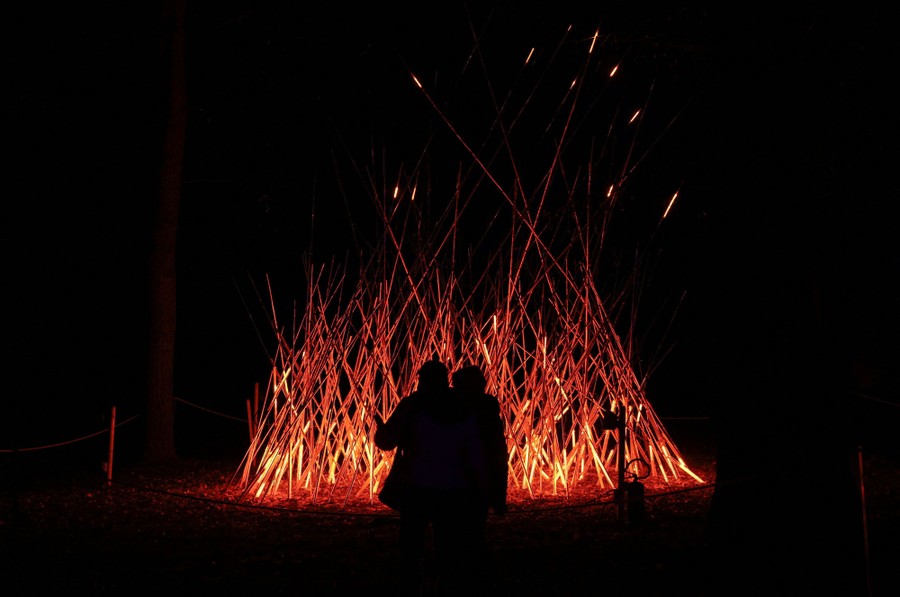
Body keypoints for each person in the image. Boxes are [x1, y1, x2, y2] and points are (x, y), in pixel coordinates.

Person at [374, 358, 491, 596]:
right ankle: (445, 587)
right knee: (447, 546)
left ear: (423, 381)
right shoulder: (462, 405)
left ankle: (412, 588)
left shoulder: (412, 405)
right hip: (453, 487)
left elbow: (386, 442)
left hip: (416, 486)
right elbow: (475, 449)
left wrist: (381, 430)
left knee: (411, 546)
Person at [450, 364, 508, 580]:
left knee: (461, 535)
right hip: (474, 482)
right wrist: (499, 495)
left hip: (459, 482)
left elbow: (497, 453)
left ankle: (466, 576)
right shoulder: (486, 411)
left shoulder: (452, 410)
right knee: (473, 533)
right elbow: (498, 454)